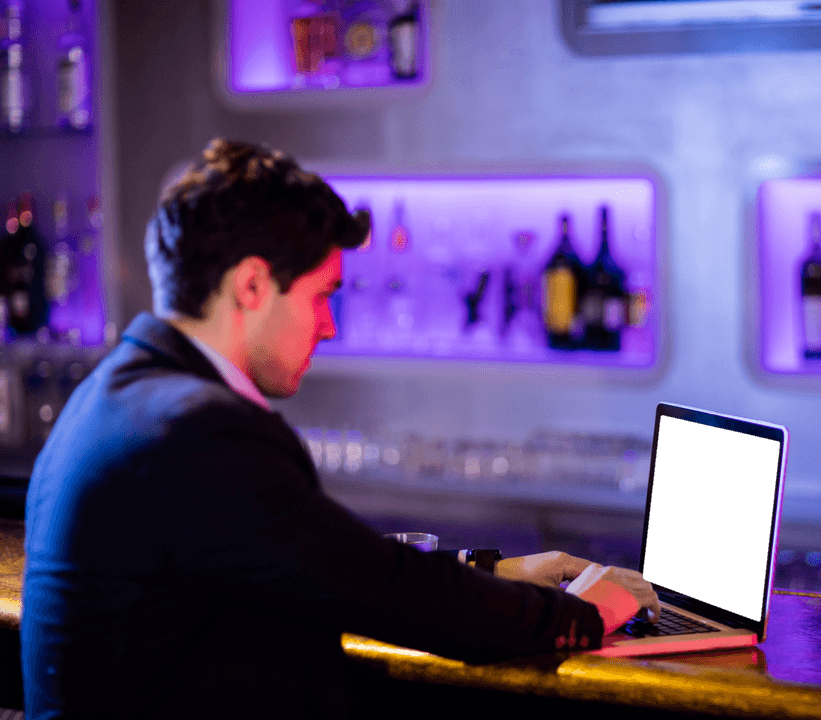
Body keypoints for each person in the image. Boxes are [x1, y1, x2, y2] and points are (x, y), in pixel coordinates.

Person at [20, 139, 658, 720]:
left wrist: (496, 572)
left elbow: (326, 568)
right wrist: (584, 614)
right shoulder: (197, 431)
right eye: (322, 296)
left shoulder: (117, 395)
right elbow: (389, 598)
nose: (328, 326)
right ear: (251, 285)